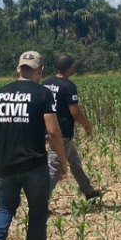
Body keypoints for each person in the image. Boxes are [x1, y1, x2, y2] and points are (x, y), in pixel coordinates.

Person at [0, 51, 68, 240]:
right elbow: (53, 130)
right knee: (38, 212)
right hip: (34, 165)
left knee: (4, 208)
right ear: (40, 71)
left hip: (5, 164)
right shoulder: (43, 94)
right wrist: (62, 159)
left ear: (18, 69)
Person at [43, 54, 102, 201]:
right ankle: (40, 203)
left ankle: (88, 191)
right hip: (62, 132)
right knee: (55, 168)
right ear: (70, 68)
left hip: (48, 128)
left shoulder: (46, 83)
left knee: (74, 162)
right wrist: (87, 125)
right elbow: (74, 111)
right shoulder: (68, 86)